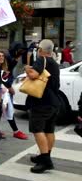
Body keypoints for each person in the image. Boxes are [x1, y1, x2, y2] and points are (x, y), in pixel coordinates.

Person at [25, 39, 60, 173]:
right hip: (54, 102)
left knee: (37, 129)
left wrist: (28, 69)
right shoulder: (54, 63)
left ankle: (45, 160)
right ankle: (45, 154)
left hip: (41, 102)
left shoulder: (41, 60)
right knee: (49, 130)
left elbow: (34, 75)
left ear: (40, 50)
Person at [0, 51, 28, 140]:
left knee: (7, 111)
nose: (1, 57)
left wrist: (9, 89)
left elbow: (5, 79)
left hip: (4, 94)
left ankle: (9, 131)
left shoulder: (3, 67)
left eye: (2, 56)